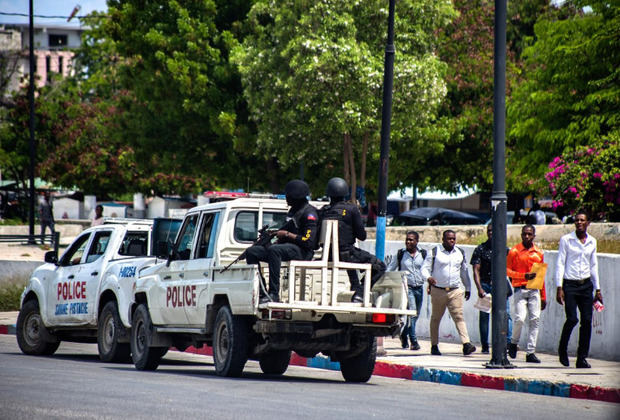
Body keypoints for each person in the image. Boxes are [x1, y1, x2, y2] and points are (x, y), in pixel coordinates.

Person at [245, 179, 319, 304]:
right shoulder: (293, 211)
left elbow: (309, 242)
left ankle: (274, 293)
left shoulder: (309, 213)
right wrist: (273, 236)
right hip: (287, 248)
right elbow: (285, 232)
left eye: (288, 195)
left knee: (275, 251)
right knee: (252, 252)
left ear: (296, 197)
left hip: (303, 252)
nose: (286, 197)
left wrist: (286, 234)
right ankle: (262, 292)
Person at [321, 177, 386, 303]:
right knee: (380, 266)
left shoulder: (323, 211)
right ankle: (360, 292)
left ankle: (355, 286)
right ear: (345, 193)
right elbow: (362, 236)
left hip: (327, 255)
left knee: (352, 254)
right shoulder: (351, 209)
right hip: (346, 253)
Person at [555, 210, 603, 368]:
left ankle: (581, 357)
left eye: (582, 220)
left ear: (588, 223)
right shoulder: (566, 240)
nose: (579, 223)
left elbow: (594, 265)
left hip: (586, 285)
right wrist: (559, 287)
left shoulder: (592, 242)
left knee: (587, 321)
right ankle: (563, 349)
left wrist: (597, 289)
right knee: (572, 319)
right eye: (577, 220)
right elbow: (560, 263)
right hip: (570, 284)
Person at [421, 230, 476, 356]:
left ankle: (466, 344)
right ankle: (434, 345)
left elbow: (464, 272)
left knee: (459, 317)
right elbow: (424, 268)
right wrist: (428, 278)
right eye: (449, 239)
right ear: (443, 240)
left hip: (455, 290)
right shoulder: (435, 252)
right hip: (438, 290)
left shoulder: (459, 252)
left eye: (453, 239)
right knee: (436, 318)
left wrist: (468, 287)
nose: (452, 241)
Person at [507, 224, 546, 363]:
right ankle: (513, 342)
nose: (527, 236)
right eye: (525, 234)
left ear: (534, 236)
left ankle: (530, 352)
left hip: (534, 289)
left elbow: (541, 276)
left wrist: (543, 296)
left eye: (530, 234)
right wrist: (523, 276)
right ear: (521, 235)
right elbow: (508, 271)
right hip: (520, 288)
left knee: (535, 320)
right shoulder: (514, 251)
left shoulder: (538, 253)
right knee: (520, 318)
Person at [470, 224, 512, 354]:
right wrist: (480, 288)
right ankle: (485, 345)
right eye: (489, 231)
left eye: (493, 231)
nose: (491, 233)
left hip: (501, 286)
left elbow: (510, 269)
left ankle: (508, 343)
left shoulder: (504, 250)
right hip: (486, 285)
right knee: (484, 316)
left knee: (506, 315)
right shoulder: (480, 249)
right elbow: (476, 270)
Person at [387, 231, 425, 350]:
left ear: (417, 241)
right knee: (412, 313)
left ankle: (404, 334)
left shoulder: (423, 254)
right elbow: (390, 269)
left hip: (420, 287)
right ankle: (413, 341)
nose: (408, 242)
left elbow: (427, 270)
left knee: (416, 314)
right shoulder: (400, 254)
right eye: (407, 239)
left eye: (411, 240)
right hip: (407, 288)